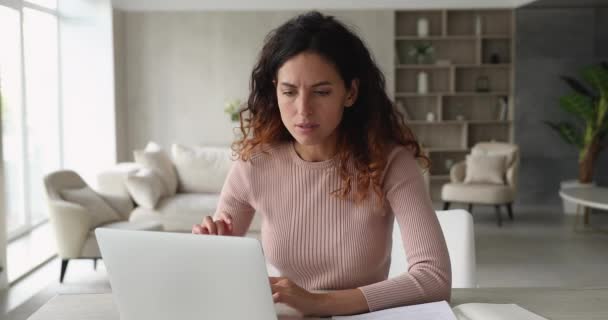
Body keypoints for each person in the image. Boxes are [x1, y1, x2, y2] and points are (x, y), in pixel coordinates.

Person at [192, 11, 451, 317]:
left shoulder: (392, 163)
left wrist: (319, 303)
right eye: (289, 92)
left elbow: (434, 278)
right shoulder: (254, 166)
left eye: (322, 92)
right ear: (275, 90)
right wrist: (210, 253)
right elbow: (214, 281)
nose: (303, 110)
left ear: (350, 92)